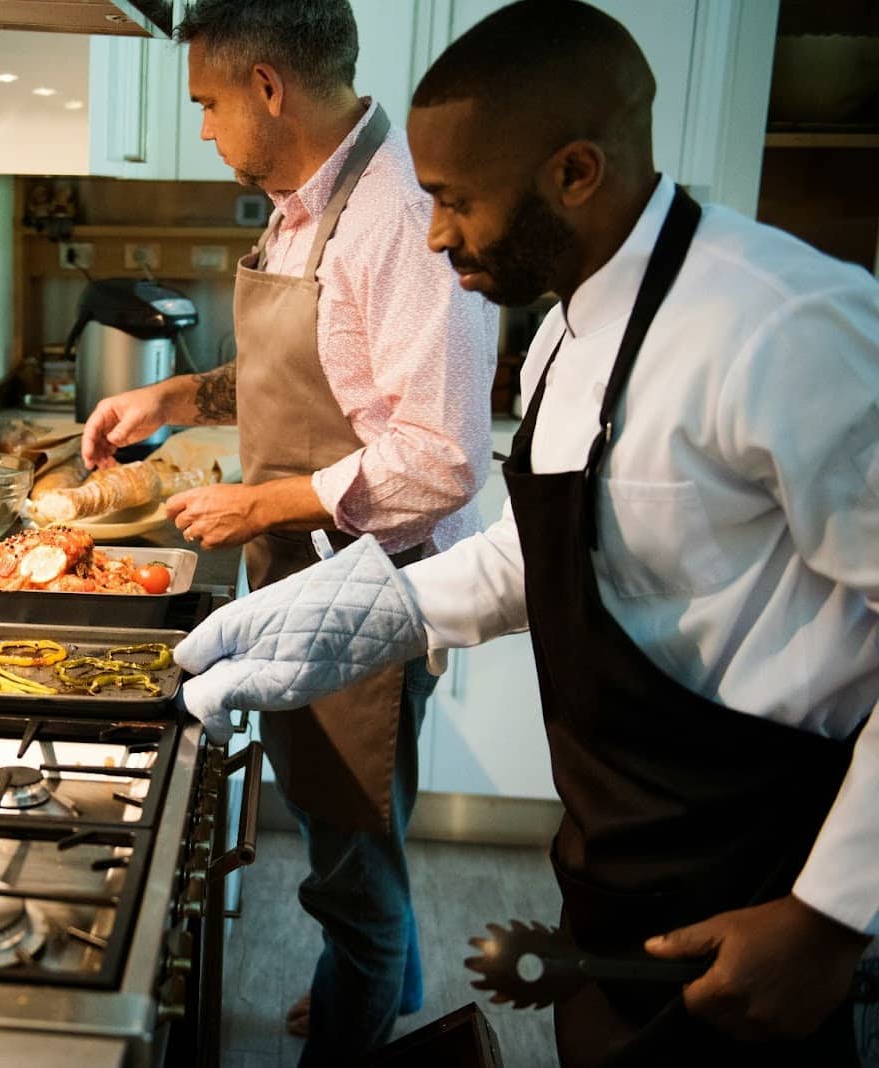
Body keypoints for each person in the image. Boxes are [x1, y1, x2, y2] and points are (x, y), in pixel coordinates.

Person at [173, 2, 879, 1064]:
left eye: (455, 201)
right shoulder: (560, 332)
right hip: (613, 851)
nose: (432, 234)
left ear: (575, 174)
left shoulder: (785, 326)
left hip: (768, 871)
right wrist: (357, 614)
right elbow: (537, 557)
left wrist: (829, 917)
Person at [79, 1, 497, 1058]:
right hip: (302, 572)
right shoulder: (303, 203)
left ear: (267, 87)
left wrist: (261, 504)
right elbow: (305, 365)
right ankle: (378, 975)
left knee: (350, 860)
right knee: (339, 832)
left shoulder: (396, 216)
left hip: (369, 588)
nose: (203, 128)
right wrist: (177, 397)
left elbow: (442, 457)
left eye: (208, 104)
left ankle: (362, 993)